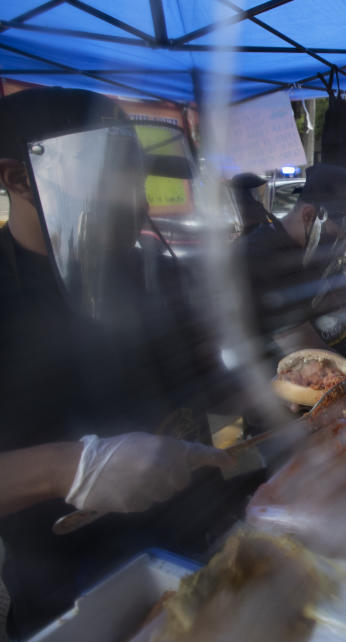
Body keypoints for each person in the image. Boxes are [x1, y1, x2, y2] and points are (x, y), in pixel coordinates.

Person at [0, 87, 237, 636]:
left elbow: (217, 397)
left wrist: (249, 468)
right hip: (71, 595)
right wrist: (70, 468)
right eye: (106, 176)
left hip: (199, 556)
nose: (139, 203)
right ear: (18, 179)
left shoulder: (161, 273)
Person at [237, 162, 346, 394]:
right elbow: (299, 338)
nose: (343, 247)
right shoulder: (263, 253)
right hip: (274, 394)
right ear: (310, 215)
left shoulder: (320, 254)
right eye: (339, 236)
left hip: (319, 382)